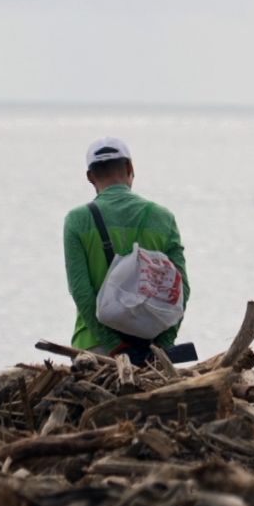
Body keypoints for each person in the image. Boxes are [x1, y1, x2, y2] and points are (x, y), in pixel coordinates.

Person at [63, 137, 190, 357]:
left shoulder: (78, 220)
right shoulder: (163, 218)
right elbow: (181, 289)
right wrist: (163, 344)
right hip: (151, 347)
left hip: (94, 348)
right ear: (130, 167)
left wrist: (113, 345)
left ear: (90, 177)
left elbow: (80, 291)